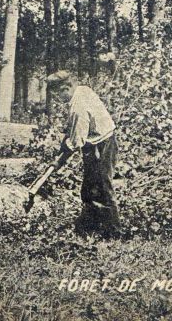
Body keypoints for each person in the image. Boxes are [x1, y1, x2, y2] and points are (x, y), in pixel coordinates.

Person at [46, 69, 122, 237]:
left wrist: (59, 162)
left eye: (58, 95)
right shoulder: (82, 90)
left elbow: (75, 142)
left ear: (67, 87)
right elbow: (72, 132)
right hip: (95, 142)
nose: (58, 99)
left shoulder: (78, 107)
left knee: (103, 187)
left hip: (103, 144)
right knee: (88, 188)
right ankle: (90, 228)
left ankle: (114, 232)